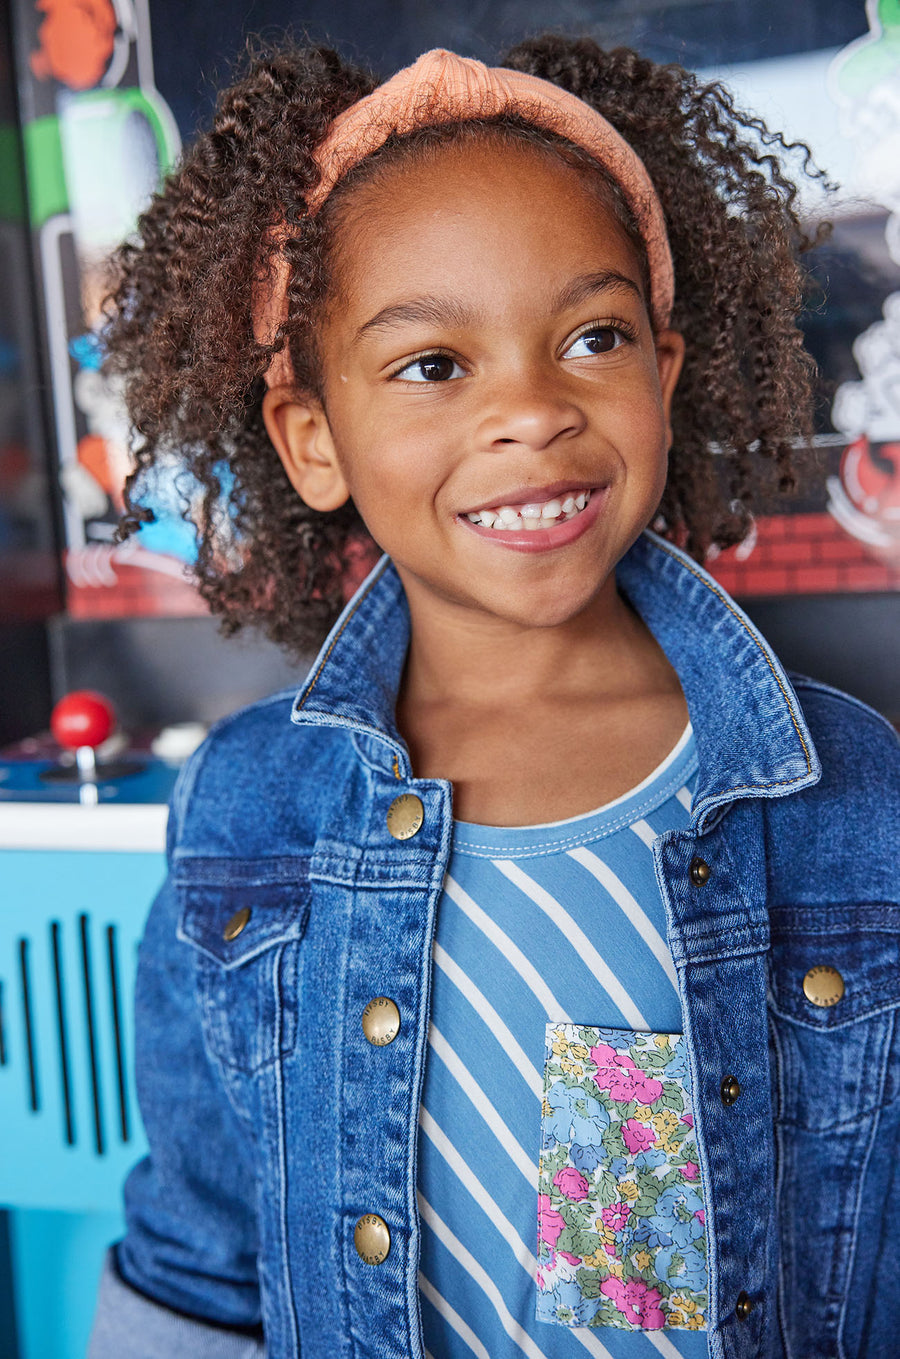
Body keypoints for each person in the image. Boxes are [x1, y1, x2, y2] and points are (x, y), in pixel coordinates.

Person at [88, 34, 899, 1359]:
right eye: (432, 366)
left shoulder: (849, 797)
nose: (531, 409)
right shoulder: (244, 819)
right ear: (311, 438)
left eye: (592, 337)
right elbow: (201, 1266)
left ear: (666, 372)